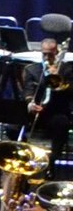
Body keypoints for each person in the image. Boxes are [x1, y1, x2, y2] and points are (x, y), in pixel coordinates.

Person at [22, 37, 73, 165]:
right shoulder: (32, 69)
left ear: (56, 52)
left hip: (56, 111)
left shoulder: (67, 70)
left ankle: (52, 161)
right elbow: (28, 91)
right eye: (44, 54)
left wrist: (58, 78)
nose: (46, 57)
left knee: (62, 123)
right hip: (35, 111)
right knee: (12, 126)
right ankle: (25, 156)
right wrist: (30, 104)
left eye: (49, 54)